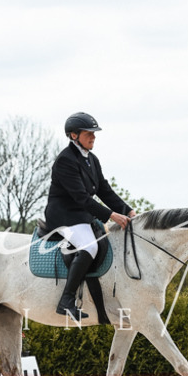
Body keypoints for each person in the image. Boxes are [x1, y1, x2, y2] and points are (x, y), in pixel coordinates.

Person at [44, 112, 135, 320]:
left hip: (82, 215)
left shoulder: (91, 159)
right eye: (88, 133)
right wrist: (111, 215)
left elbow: (104, 190)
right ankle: (66, 300)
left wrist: (127, 210)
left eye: (94, 133)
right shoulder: (65, 161)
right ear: (73, 135)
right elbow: (81, 198)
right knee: (89, 246)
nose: (93, 137)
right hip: (64, 216)